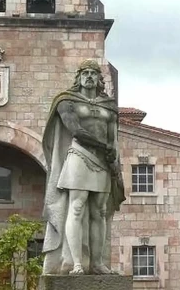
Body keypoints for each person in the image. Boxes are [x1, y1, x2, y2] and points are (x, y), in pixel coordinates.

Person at [41, 59, 126, 275]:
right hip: (80, 155)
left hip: (104, 162)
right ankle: (76, 262)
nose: (89, 76)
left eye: (93, 73)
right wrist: (103, 146)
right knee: (76, 207)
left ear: (99, 79)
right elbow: (75, 129)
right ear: (78, 77)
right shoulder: (66, 101)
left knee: (100, 210)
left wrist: (115, 161)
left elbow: (113, 138)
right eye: (85, 73)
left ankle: (97, 263)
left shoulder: (109, 106)